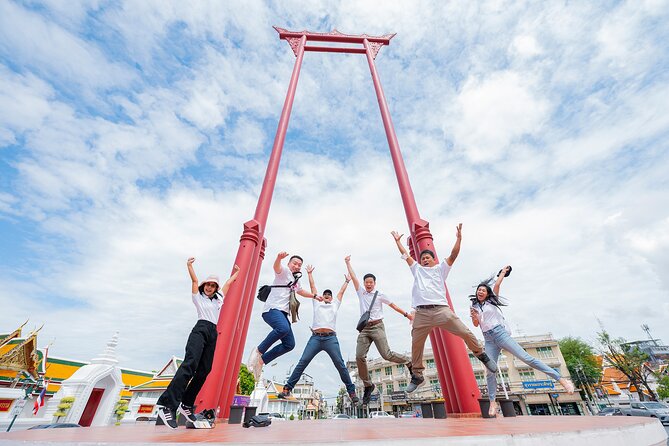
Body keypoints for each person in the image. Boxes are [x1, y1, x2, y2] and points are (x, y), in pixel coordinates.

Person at [390, 224, 497, 394]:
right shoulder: (417, 270)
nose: (425, 259)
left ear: (434, 260)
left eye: (428, 258)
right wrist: (397, 241)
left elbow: (453, 255)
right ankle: (417, 375)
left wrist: (459, 238)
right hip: (422, 313)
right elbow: (406, 256)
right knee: (416, 344)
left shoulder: (441, 269)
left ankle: (481, 354)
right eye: (423, 258)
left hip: (441, 311)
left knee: (465, 332)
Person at [470, 265, 575, 416]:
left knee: (527, 358)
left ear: (487, 294)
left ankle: (562, 380)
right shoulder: (474, 306)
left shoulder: (492, 302)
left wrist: (503, 273)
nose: (480, 291)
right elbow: (476, 324)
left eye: (483, 290)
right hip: (488, 339)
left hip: (500, 334)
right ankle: (492, 402)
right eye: (479, 290)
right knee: (490, 371)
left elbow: (497, 284)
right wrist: (474, 317)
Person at [157, 258, 240, 429]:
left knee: (204, 370)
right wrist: (189, 266)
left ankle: (186, 404)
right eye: (207, 285)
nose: (210, 287)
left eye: (213, 285)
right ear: (204, 286)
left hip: (212, 333)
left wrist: (237, 273)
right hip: (200, 330)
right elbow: (194, 280)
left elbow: (228, 284)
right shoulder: (198, 298)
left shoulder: (218, 299)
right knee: (190, 365)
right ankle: (167, 405)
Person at [277, 264, 359, 404]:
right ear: (322, 296)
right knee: (303, 362)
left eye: (329, 295)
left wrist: (347, 281)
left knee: (340, 364)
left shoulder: (335, 304)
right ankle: (287, 389)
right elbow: (313, 287)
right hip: (315, 338)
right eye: (325, 294)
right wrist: (309, 274)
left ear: (331, 298)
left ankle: (351, 392)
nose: (327, 296)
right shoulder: (317, 302)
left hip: (330, 339)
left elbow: (341, 292)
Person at [345, 255, 413, 405]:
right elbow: (354, 277)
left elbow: (393, 305)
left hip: (377, 326)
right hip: (364, 329)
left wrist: (407, 315)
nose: (368, 284)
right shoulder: (361, 292)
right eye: (366, 282)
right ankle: (368, 385)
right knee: (359, 356)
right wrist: (348, 263)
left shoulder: (380, 295)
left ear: (374, 283)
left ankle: (408, 361)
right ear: (364, 283)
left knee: (386, 354)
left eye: (371, 282)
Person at [248, 252, 322, 381]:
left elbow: (301, 291)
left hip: (282, 313)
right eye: (295, 263)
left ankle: (261, 361)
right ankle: (258, 351)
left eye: (299, 265)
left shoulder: (295, 280)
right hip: (272, 309)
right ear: (289, 264)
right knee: (283, 329)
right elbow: (276, 268)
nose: (297, 266)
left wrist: (314, 296)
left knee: (289, 344)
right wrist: (278, 258)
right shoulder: (284, 272)